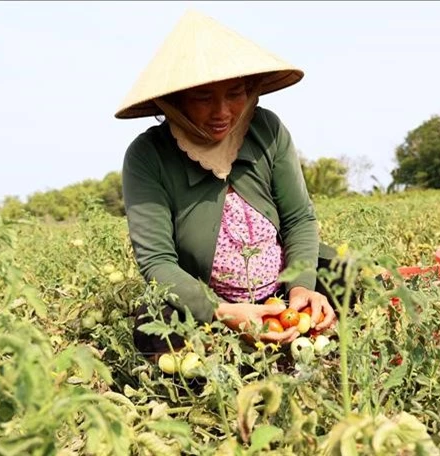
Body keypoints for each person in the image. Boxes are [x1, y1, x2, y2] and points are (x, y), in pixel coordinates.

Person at [114, 10, 339, 357]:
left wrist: (301, 290)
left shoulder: (267, 131)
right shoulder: (147, 156)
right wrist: (223, 312)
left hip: (283, 293)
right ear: (174, 101)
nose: (222, 112)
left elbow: (299, 220)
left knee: (356, 280)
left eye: (235, 94)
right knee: (156, 330)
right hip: (210, 303)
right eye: (203, 98)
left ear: (250, 91)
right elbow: (157, 262)